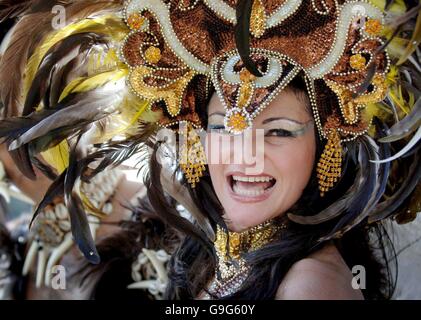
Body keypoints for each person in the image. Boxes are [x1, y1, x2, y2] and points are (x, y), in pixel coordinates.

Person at [0, 0, 419, 300]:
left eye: (280, 132)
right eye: (222, 127)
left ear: (325, 144)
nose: (244, 155)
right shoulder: (210, 251)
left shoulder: (311, 286)